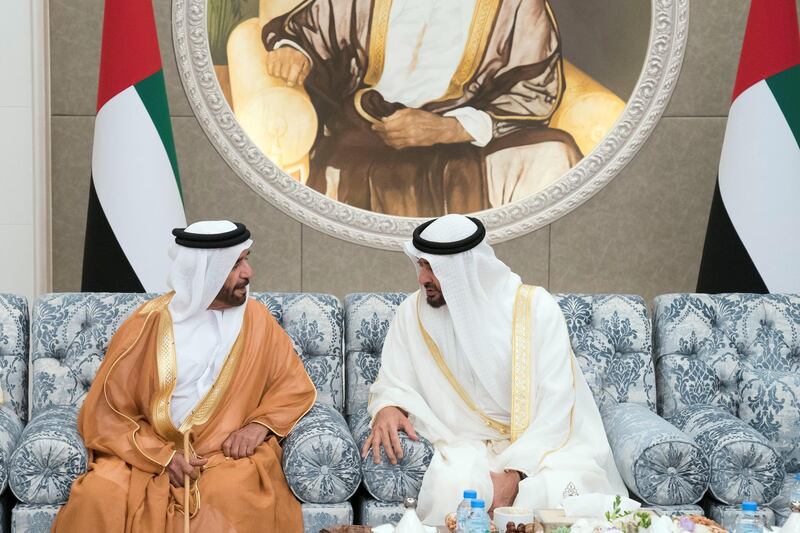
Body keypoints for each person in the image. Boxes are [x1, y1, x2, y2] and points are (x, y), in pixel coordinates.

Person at [52, 220, 317, 532]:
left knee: (232, 496)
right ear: (204, 272)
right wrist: (162, 456)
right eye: (236, 264)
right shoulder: (146, 325)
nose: (248, 273)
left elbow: (293, 386)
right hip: (146, 452)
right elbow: (107, 411)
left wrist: (258, 428)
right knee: (100, 494)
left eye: (246, 259)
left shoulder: (257, 322)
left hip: (223, 456)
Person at [362, 214, 627, 525]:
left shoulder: (536, 309)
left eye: (431, 267)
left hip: (544, 448)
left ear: (464, 270)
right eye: (420, 265)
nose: (422, 278)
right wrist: (388, 406)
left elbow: (558, 405)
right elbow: (393, 378)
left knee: (553, 494)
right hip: (465, 447)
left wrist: (515, 474)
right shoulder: (412, 314)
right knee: (455, 488)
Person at [261, 0, 582, 217]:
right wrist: (293, 51)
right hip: (374, 127)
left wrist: (447, 128)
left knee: (556, 153)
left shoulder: (518, 6)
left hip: (471, 133)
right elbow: (310, 30)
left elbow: (535, 87)